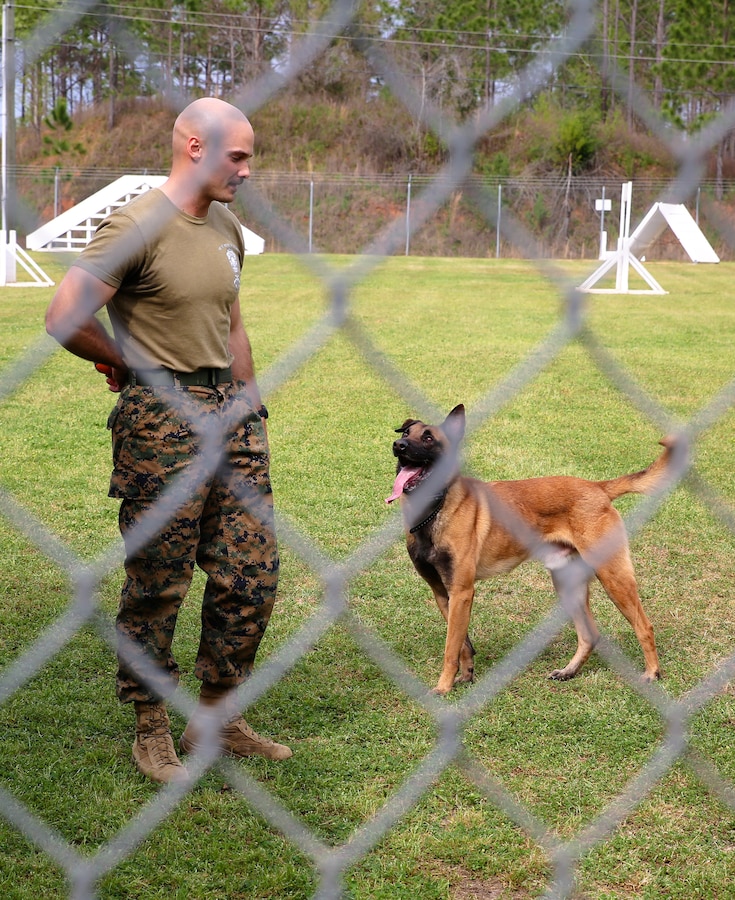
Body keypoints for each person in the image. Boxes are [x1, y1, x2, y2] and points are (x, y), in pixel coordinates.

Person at [45, 97, 291, 784]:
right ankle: (150, 727)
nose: (247, 169)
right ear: (192, 146)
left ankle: (217, 712)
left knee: (253, 576)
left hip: (229, 414)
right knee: (160, 579)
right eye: (236, 156)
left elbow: (231, 323)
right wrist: (128, 365)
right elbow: (64, 315)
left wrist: (250, 403)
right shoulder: (135, 224)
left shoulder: (228, 226)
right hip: (162, 418)